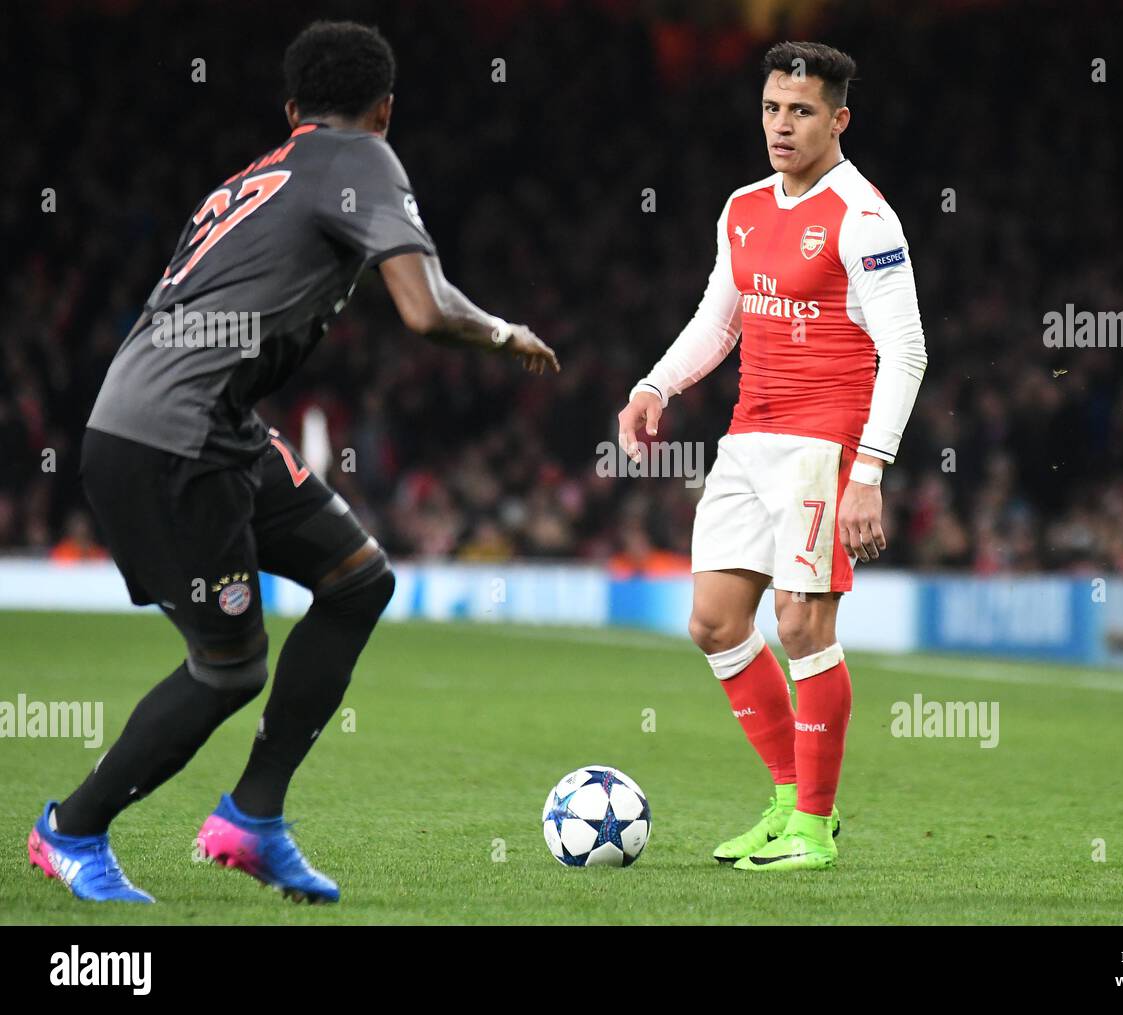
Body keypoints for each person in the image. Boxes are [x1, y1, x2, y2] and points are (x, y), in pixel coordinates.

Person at [27, 20, 558, 904]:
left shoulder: (256, 176)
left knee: (358, 580)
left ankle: (252, 817)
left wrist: (496, 325)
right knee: (229, 666)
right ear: (384, 111)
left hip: (201, 420)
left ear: (291, 109)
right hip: (173, 437)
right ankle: (70, 830)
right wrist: (504, 337)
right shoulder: (363, 158)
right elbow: (424, 310)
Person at [617, 41, 927, 871]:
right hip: (747, 437)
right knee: (715, 622)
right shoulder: (743, 206)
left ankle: (815, 827)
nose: (782, 125)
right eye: (771, 108)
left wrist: (868, 472)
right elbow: (720, 319)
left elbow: (906, 351)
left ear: (838, 119)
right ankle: (788, 797)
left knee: (799, 623)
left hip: (822, 444)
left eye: (801, 111)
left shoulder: (864, 215)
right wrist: (656, 384)